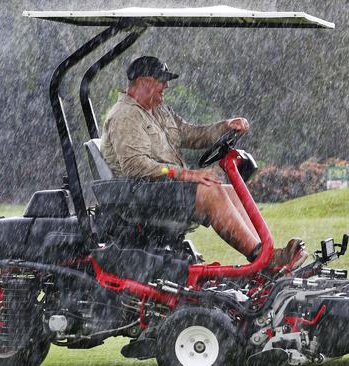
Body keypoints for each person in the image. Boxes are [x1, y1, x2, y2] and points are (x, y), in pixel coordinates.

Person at [100, 56, 307, 270]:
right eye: (161, 80)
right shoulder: (125, 116)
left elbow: (191, 134)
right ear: (143, 81)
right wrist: (186, 175)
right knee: (210, 192)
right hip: (139, 196)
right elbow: (136, 166)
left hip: (159, 189)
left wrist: (225, 126)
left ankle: (267, 253)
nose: (166, 86)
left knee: (229, 191)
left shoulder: (158, 110)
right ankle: (263, 260)